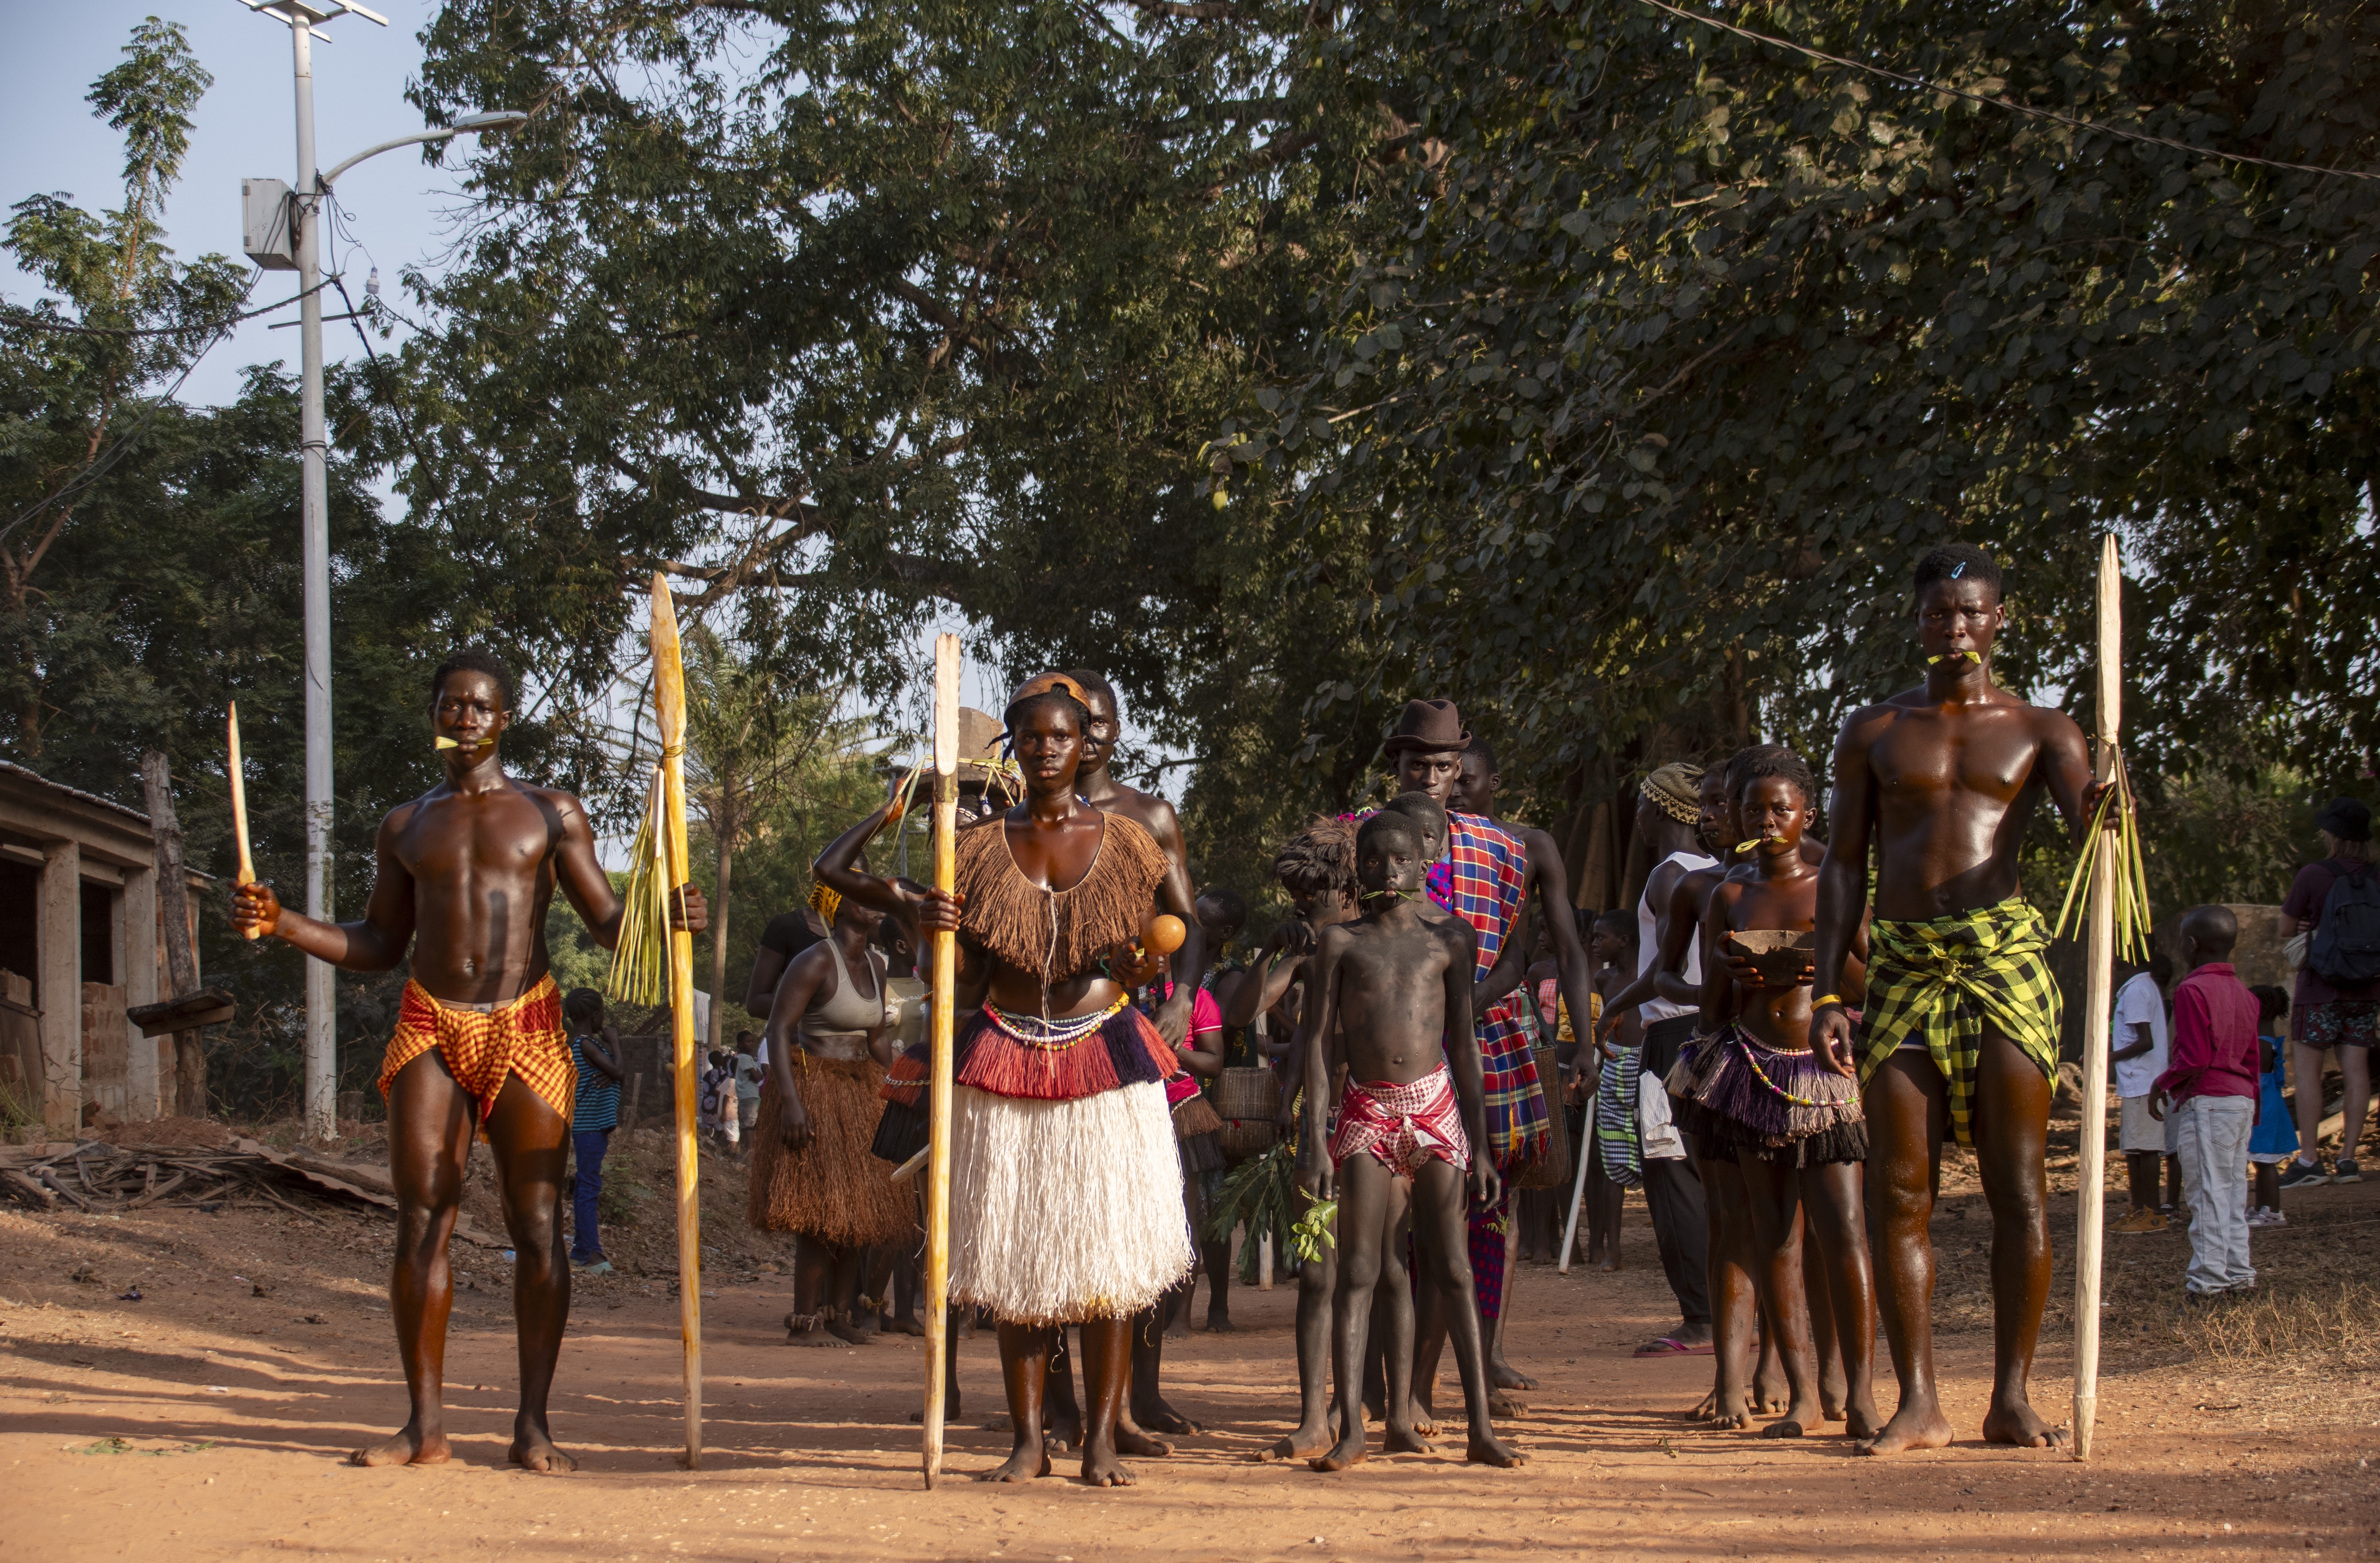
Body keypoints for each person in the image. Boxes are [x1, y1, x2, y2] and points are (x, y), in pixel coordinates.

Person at [230, 648, 707, 1471]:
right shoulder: (406, 824)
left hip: (525, 1027)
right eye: (449, 704)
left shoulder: (550, 812)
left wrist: (667, 914)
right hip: (430, 1026)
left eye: (479, 706)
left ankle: (533, 1426)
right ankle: (424, 1424)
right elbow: (379, 943)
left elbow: (604, 921)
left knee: (537, 1229)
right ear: (434, 715)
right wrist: (283, 923)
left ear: (504, 719)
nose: (462, 717)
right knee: (422, 1218)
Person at [824, 677, 1198, 1486]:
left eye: (1061, 735)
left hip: (1103, 1050)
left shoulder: (1130, 839)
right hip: (1004, 1051)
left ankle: (1099, 1438)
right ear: (1014, 749)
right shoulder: (976, 848)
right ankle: (1027, 1440)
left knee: (1108, 1258)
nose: (1048, 748)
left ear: (1086, 742)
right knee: (1014, 1258)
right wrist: (937, 924)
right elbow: (931, 948)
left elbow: (1169, 929)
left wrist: (1146, 963)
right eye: (1031, 737)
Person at [1810, 541, 2111, 1455]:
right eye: (1938, 613)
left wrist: (2113, 804)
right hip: (1899, 965)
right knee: (1900, 1192)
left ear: (1998, 620)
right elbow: (1844, 863)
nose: (1954, 627)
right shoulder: (1872, 730)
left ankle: (2012, 1396)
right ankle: (1921, 1402)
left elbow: (2089, 825)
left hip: (2003, 963)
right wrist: (1830, 986)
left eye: (1970, 612)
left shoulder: (2043, 730)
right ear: (1917, 622)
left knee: (2019, 1189)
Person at [1306, 811, 1524, 1471]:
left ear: (1422, 863)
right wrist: (1314, 1142)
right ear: (1358, 869)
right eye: (1372, 861)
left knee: (1452, 1267)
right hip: (1368, 1112)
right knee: (1362, 1270)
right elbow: (1319, 1045)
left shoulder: (1450, 939)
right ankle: (1353, 1428)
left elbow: (1463, 1043)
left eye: (1398, 860)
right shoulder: (1340, 942)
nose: (1386, 872)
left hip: (1434, 1108)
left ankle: (1479, 1427)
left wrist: (1481, 1145)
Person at [1679, 746, 1881, 1439]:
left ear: (1807, 815)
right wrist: (1734, 969)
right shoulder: (1728, 897)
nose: (1766, 821)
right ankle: (1800, 1394)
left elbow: (1866, 984)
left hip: (1822, 1074)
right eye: (1753, 809)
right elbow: (1711, 1006)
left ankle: (1858, 1394)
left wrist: (1807, 962)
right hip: (1750, 1073)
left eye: (1780, 810)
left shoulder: (1833, 887)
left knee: (1844, 1231)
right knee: (1773, 1237)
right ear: (1733, 814)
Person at [1375, 701, 1549, 1412]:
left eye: (1443, 764)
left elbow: (1517, 951)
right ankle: (1382, 1383)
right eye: (1417, 763)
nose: (1432, 775)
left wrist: (1465, 1003)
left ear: (1459, 769)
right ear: (1395, 769)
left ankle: (1449, 1374)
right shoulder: (1364, 843)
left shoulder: (1503, 848)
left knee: (1473, 1218)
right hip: (1385, 1061)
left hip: (1478, 1050)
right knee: (1385, 1229)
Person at [1451, 738, 1601, 1362]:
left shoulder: (1528, 846)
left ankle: (1488, 1352)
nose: (1454, 787)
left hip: (1498, 1031)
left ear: (1494, 780)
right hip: (1415, 1030)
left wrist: (1584, 1043)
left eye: (1467, 778)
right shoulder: (1413, 839)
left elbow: (1565, 950)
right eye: (1443, 775)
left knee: (1496, 1196)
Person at [1234, 816, 1361, 1464]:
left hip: (1385, 1121)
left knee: (1374, 1273)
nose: (1302, 910)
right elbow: (1239, 1013)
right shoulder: (1307, 953)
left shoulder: (1380, 942)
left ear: (1348, 889)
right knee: (1318, 1275)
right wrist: (1269, 953)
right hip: (1324, 1124)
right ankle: (1316, 1414)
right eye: (1294, 901)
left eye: (1311, 899)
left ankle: (1362, 1403)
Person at [1596, 762, 1724, 1360]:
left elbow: (1662, 973)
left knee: (1672, 1174)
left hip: (1673, 1035)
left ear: (1658, 809)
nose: (1637, 818)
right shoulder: (1719, 870)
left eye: (1642, 807)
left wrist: (1610, 1008)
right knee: (1714, 1173)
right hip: (1715, 1031)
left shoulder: (1667, 874)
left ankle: (1701, 1318)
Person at [753, 890, 913, 1346]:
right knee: (821, 1214)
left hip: (861, 1090)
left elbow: (878, 1036)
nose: (876, 904)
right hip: (815, 1088)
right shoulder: (814, 960)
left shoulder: (878, 965)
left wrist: (905, 1078)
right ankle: (805, 1320)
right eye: (863, 898)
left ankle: (840, 1314)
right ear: (837, 905)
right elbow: (779, 1029)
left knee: (857, 1212)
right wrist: (791, 1102)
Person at [2150, 906, 2262, 1300]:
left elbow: (2194, 1058)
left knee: (2206, 1194)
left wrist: (2161, 1084)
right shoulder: (2245, 995)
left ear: (2192, 944)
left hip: (2207, 1101)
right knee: (2231, 1193)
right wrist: (2254, 1107)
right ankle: (2238, 1275)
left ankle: (2208, 1282)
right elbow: (2252, 1061)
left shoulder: (2191, 990)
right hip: (2239, 1101)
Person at [2277, 797, 2378, 1188]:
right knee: (2356, 1074)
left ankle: (2308, 1160)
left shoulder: (2313, 874)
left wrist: (2308, 921)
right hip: (2366, 987)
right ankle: (2348, 1160)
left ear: (2332, 835)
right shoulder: (2377, 875)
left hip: (2320, 988)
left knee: (2308, 1075)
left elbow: (2286, 929)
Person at [1581, 910, 1639, 1270]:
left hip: (1648, 1067)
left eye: (1602, 938)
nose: (1595, 944)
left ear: (1626, 940)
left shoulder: (1650, 973)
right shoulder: (1604, 979)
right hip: (1615, 1064)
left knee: (1660, 1152)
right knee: (1613, 1152)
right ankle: (1612, 1247)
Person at [2111, 952, 2178, 1233]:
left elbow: (2145, 1041)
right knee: (2134, 1148)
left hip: (2144, 1081)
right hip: (2137, 1081)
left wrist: (2106, 1055)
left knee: (2147, 1148)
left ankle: (2151, 1214)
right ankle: (2138, 1209)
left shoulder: (2137, 989)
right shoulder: (2143, 987)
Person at [563, 988, 622, 1273]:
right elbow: (620, 1072)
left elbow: (612, 1073)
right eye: (603, 1015)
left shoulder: (579, 1043)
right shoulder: (588, 1044)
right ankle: (592, 1254)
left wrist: (610, 1068)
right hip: (590, 1126)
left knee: (585, 1186)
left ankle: (580, 1249)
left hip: (588, 1125)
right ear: (595, 1015)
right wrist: (615, 1043)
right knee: (588, 1188)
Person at [2246, 985, 2297, 1227]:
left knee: (2265, 1163)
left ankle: (2272, 1212)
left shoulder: (2261, 1043)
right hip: (2265, 1107)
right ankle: (2261, 1208)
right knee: (2260, 1162)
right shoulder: (2266, 1038)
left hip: (2263, 1110)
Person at [734, 1031, 764, 1144]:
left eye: (752, 1041)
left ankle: (745, 1151)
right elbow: (758, 1077)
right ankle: (750, 1151)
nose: (751, 1044)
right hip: (749, 1095)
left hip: (746, 1095)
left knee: (746, 1125)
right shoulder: (746, 1058)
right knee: (751, 1125)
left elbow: (759, 1076)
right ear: (740, 1045)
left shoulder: (745, 1058)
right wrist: (756, 1074)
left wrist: (757, 1074)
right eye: (748, 1041)